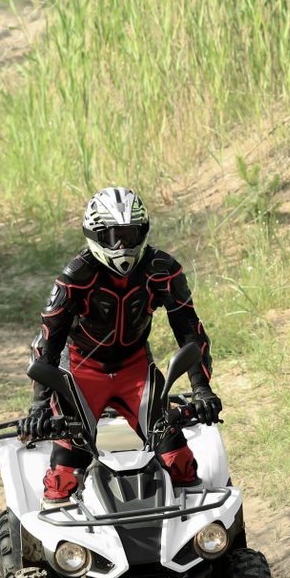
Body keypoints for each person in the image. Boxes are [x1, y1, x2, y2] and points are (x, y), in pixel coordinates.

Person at [22, 186, 220, 508]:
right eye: (113, 235)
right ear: (95, 234)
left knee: (178, 457)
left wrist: (201, 389)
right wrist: (39, 405)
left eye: (130, 234)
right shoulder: (75, 277)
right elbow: (49, 340)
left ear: (143, 231)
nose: (122, 245)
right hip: (82, 371)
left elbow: (190, 331)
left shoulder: (163, 270)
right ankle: (58, 547)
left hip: (135, 367)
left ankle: (199, 538)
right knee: (65, 470)